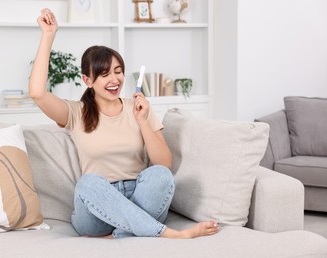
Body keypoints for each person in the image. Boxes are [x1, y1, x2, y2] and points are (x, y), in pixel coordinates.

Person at [29, 8, 219, 239]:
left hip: (139, 197)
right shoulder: (75, 113)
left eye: (118, 72)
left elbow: (164, 163)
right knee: (87, 183)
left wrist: (142, 121)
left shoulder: (139, 108)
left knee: (160, 175)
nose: (114, 79)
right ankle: (168, 233)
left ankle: (123, 233)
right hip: (98, 206)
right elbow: (38, 93)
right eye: (105, 74)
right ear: (88, 80)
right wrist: (48, 35)